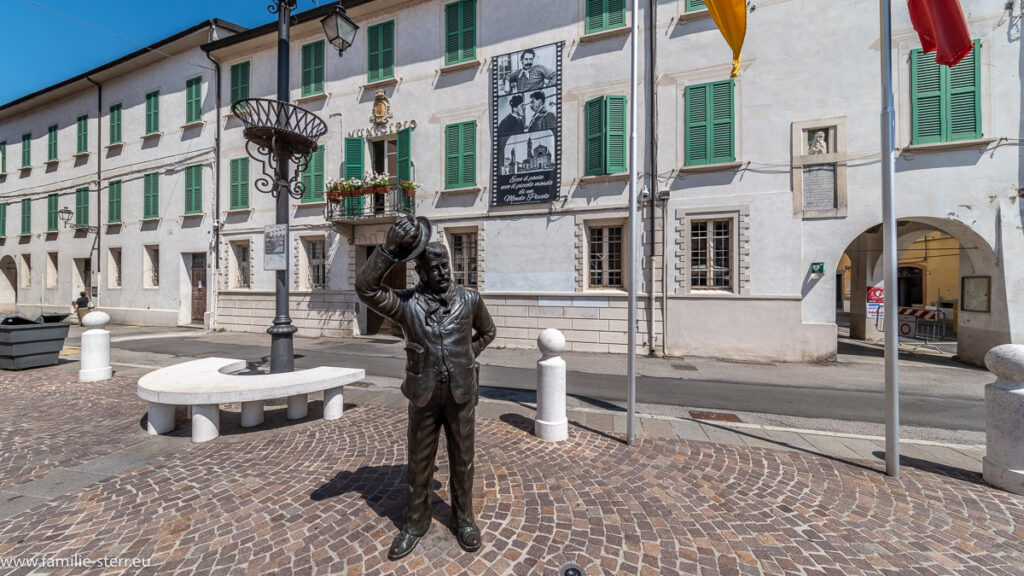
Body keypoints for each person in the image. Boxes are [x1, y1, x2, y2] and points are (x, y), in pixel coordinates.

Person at [355, 215, 496, 561]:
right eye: (435, 268)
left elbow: (488, 333)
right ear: (420, 272)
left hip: (461, 392)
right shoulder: (406, 305)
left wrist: (466, 355)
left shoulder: (471, 300)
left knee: (463, 460)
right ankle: (416, 522)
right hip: (423, 393)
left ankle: (464, 519)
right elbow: (367, 289)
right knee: (419, 462)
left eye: (445, 266)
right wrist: (387, 250)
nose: (443, 273)